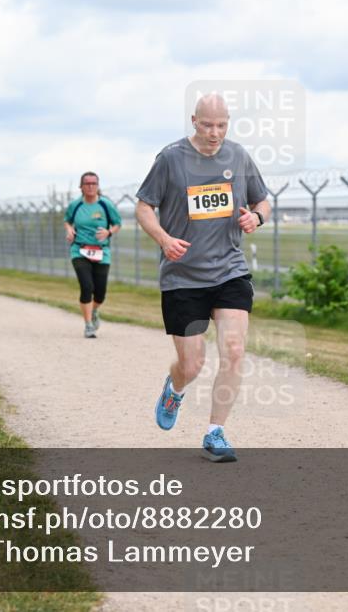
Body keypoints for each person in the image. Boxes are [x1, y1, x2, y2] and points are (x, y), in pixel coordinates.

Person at [135, 93, 270, 463]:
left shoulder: (239, 156)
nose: (215, 133)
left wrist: (255, 219)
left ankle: (215, 433)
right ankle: (175, 388)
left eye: (222, 125)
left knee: (235, 351)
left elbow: (263, 202)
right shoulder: (171, 158)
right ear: (194, 120)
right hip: (183, 277)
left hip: (229, 271)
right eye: (208, 125)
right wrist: (163, 238)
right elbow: (144, 206)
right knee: (191, 365)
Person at [64, 172, 122, 338]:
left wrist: (108, 232)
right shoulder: (75, 205)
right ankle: (88, 325)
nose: (90, 186)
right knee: (86, 286)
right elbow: (67, 220)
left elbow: (117, 223)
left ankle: (94, 310)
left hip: (101, 251)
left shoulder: (105, 205)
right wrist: (69, 230)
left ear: (98, 185)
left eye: (94, 183)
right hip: (79, 250)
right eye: (87, 183)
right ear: (81, 187)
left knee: (100, 293)